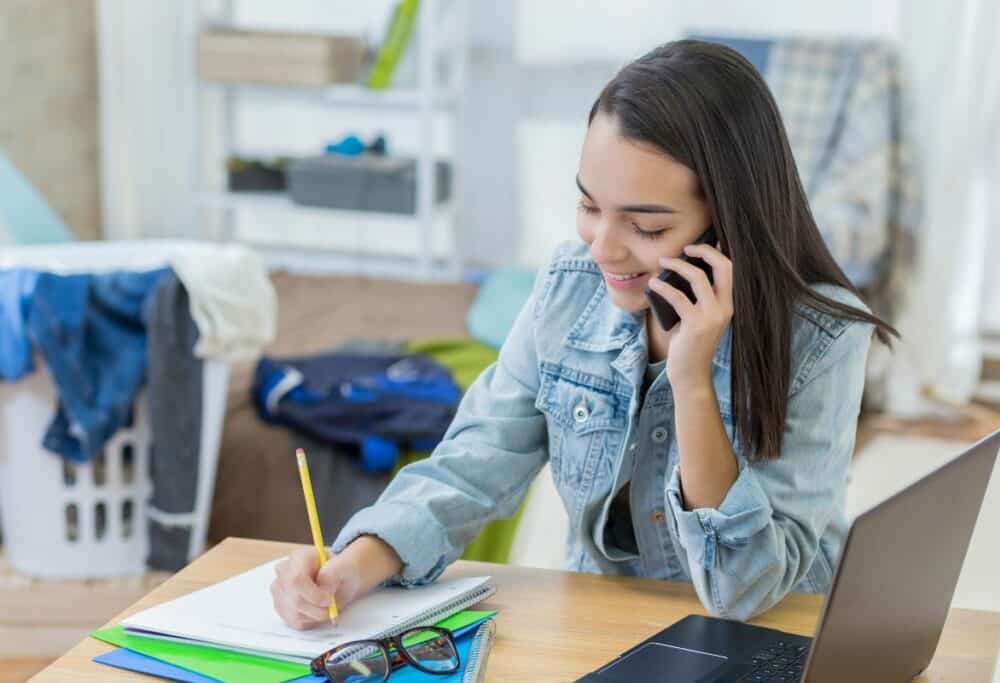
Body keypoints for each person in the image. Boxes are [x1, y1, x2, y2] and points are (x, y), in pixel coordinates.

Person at [271, 39, 897, 627]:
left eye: (646, 228)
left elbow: (745, 591)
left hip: (776, 632)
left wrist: (692, 385)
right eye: (589, 206)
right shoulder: (569, 288)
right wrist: (352, 570)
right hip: (605, 624)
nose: (602, 248)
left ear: (727, 224)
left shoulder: (823, 336)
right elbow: (473, 466)